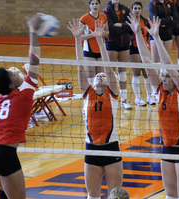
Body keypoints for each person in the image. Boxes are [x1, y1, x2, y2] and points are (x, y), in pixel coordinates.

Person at [127, 14, 179, 199]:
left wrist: (156, 38)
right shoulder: (160, 91)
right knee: (170, 196)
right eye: (163, 76)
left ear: (175, 78)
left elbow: (168, 65)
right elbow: (147, 63)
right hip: (166, 147)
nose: (164, 78)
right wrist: (138, 35)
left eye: (167, 76)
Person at [0, 14, 41, 199]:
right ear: (11, 85)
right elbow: (34, 59)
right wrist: (33, 31)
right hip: (4, 154)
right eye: (11, 74)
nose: (15, 72)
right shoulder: (25, 93)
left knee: (5, 195)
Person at [68, 19, 123, 199]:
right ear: (92, 81)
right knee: (92, 196)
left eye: (103, 76)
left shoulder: (113, 92)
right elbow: (80, 66)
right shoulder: (87, 93)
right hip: (91, 150)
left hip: (111, 148)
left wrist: (100, 40)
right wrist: (78, 39)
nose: (100, 76)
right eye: (97, 75)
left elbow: (107, 68)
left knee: (115, 195)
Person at [103, 0, 132, 110]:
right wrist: (124, 28)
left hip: (125, 44)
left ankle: (124, 100)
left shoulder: (126, 9)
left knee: (123, 74)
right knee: (111, 73)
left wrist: (120, 25)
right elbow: (110, 29)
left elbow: (130, 25)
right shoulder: (106, 11)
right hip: (111, 44)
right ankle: (111, 99)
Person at [129, 2, 156, 106]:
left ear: (141, 10)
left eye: (139, 8)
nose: (137, 10)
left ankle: (150, 96)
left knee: (147, 73)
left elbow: (149, 34)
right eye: (135, 8)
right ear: (132, 10)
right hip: (133, 48)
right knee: (136, 73)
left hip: (144, 49)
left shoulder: (145, 21)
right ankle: (138, 98)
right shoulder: (129, 21)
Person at [79, 0, 110, 86]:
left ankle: (100, 95)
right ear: (89, 5)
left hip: (101, 50)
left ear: (99, 5)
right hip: (89, 51)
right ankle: (91, 97)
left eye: (96, 3)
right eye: (92, 4)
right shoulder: (84, 18)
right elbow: (79, 36)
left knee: (100, 76)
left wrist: (101, 33)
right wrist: (93, 35)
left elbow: (107, 32)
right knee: (90, 76)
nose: (95, 5)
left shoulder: (104, 16)